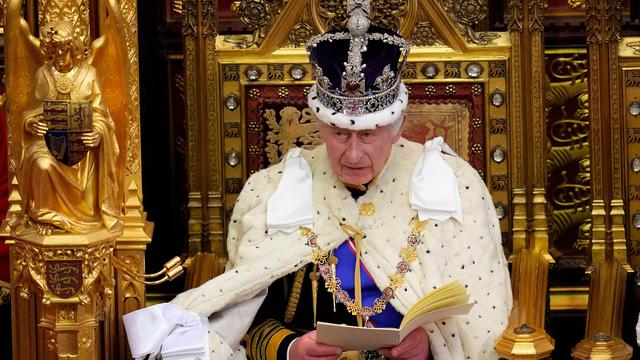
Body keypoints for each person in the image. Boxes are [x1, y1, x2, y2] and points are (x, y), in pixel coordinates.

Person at [124, 1, 512, 358]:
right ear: (320, 124)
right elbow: (244, 321)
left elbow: (478, 328)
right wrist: (291, 349)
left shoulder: (452, 183)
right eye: (340, 134)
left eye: (368, 135)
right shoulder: (275, 190)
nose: (354, 154)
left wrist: (428, 345)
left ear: (397, 127)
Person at [16, 20, 122, 235]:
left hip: (82, 146)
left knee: (87, 158)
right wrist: (31, 123)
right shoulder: (43, 75)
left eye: (65, 51)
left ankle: (88, 214)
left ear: (73, 49)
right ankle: (46, 217)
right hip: (49, 144)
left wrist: (98, 133)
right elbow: (30, 111)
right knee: (41, 163)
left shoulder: (89, 74)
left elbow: (101, 114)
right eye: (55, 52)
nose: (61, 58)